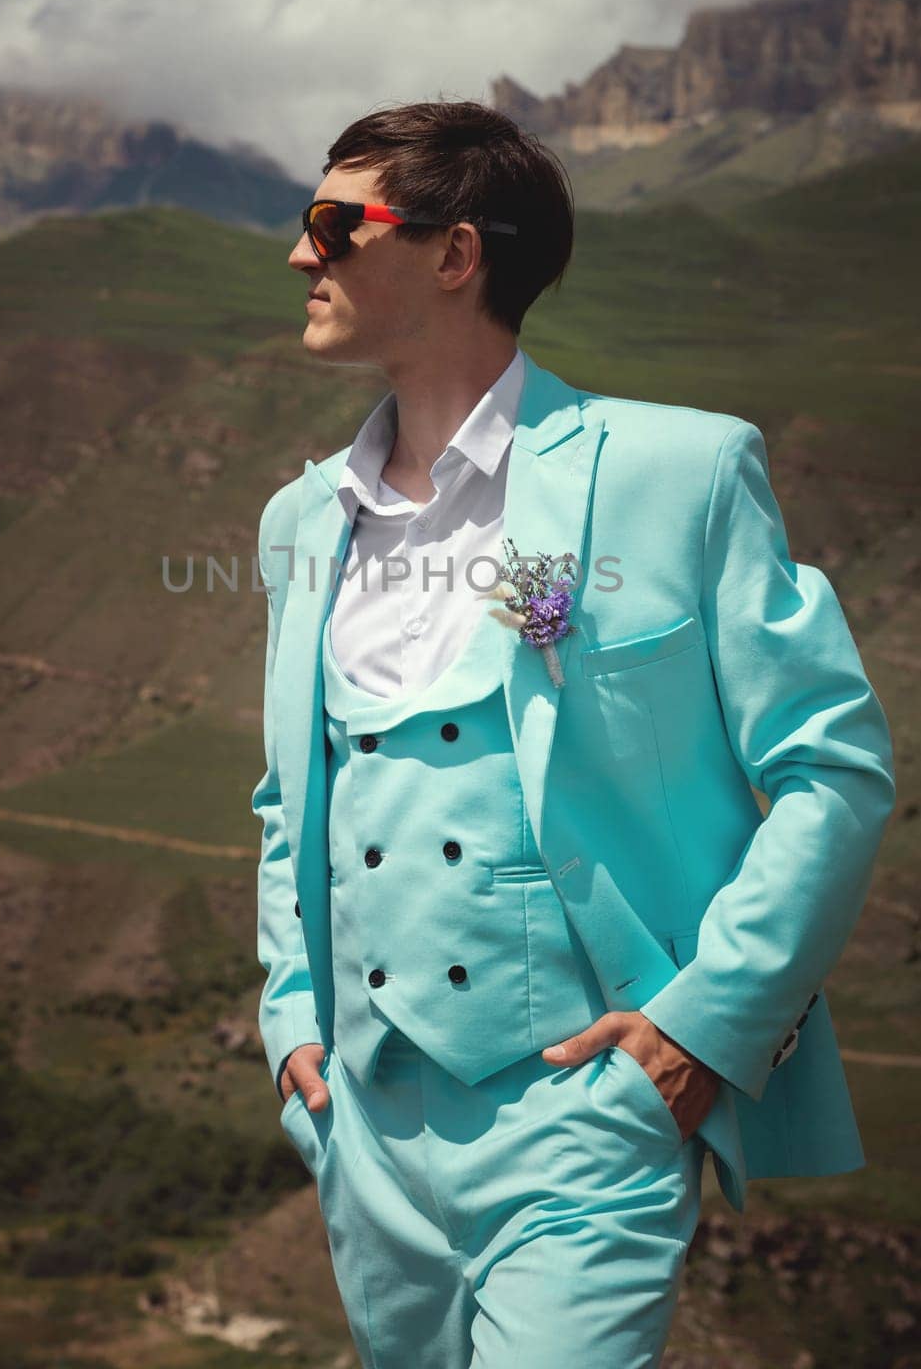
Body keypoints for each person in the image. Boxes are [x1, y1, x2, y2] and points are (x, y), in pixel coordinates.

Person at [251, 99, 896, 1369]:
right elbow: (291, 799)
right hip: (365, 1133)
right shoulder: (298, 523)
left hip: (588, 1116)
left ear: (454, 254)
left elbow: (834, 771)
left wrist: (706, 1019)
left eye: (334, 221)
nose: (299, 254)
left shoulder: (682, 472)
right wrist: (290, 1026)